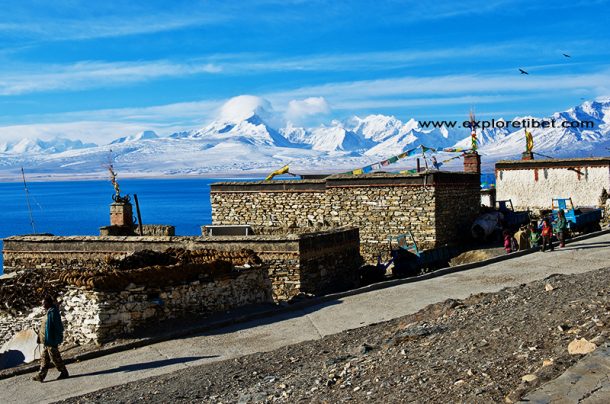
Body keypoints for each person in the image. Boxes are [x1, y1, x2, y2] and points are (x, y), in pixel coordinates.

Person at [32, 296, 69, 382]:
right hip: (47, 341)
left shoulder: (53, 313)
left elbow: (57, 327)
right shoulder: (49, 312)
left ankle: (64, 372)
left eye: (44, 303)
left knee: (55, 358)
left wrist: (56, 338)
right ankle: (40, 376)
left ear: (48, 303)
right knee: (45, 358)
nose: (42, 305)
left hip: (51, 340)